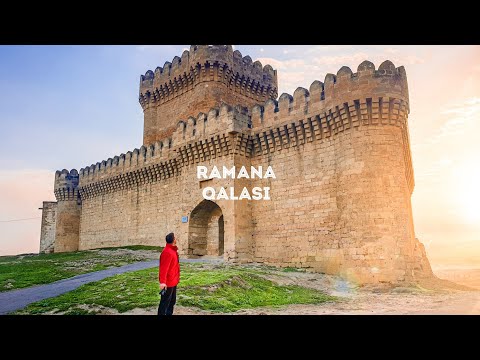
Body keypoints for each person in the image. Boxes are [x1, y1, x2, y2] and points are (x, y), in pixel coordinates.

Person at [158, 232, 180, 316]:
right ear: (173, 240)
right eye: (175, 238)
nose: (176, 239)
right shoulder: (167, 252)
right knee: (165, 302)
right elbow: (163, 268)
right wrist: (163, 282)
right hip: (168, 282)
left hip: (173, 280)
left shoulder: (173, 251)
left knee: (172, 301)